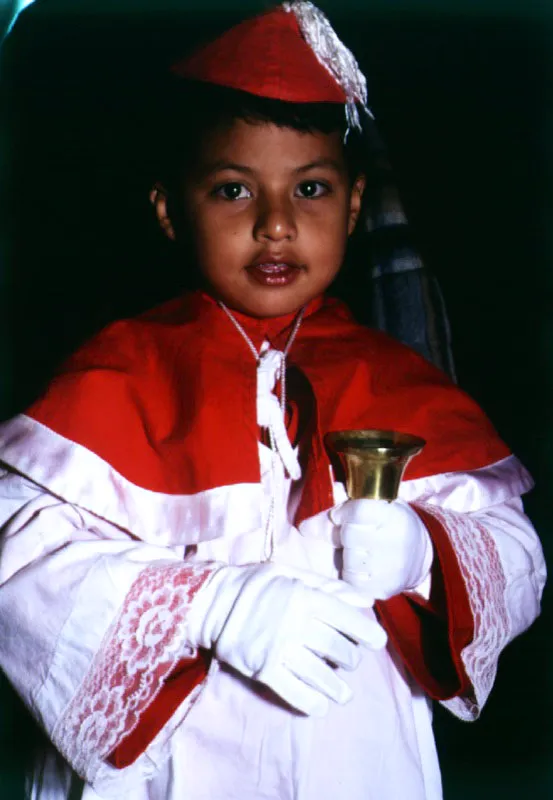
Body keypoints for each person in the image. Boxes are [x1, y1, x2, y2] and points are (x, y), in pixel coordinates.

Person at [0, 2, 545, 799]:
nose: (277, 226)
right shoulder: (116, 374)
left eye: (312, 189)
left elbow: (519, 559)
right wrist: (213, 609)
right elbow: (19, 565)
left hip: (351, 752)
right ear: (168, 210)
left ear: (354, 205)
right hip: (169, 767)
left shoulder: (399, 381)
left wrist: (423, 551)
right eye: (232, 190)